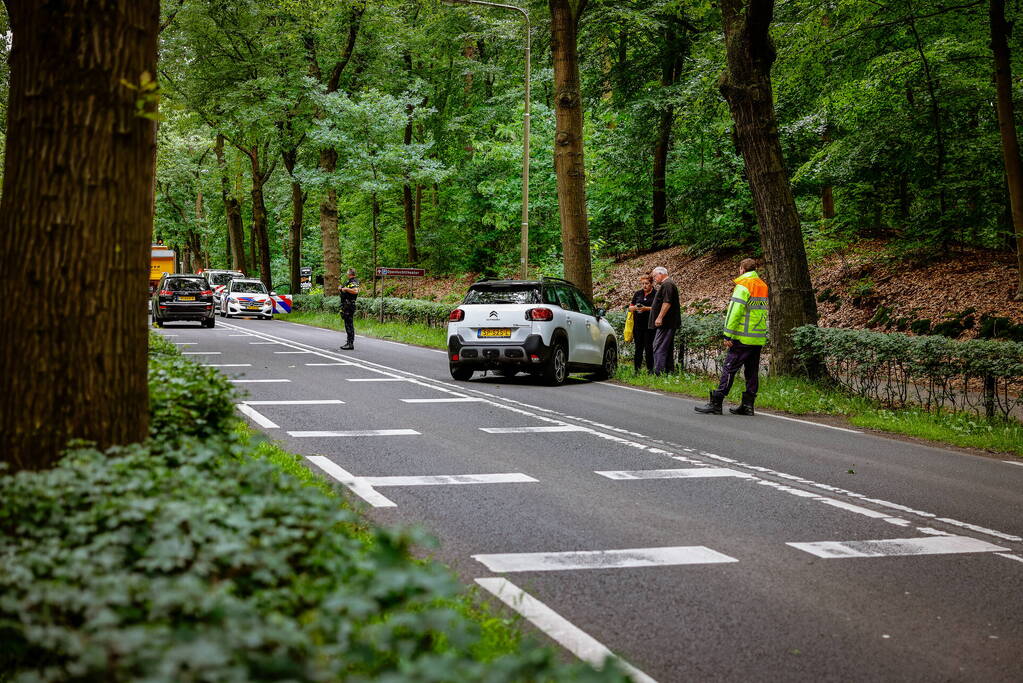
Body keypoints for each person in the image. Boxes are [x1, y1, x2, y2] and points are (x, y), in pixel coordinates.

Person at [695, 258, 768, 416]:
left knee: (729, 368)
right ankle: (748, 405)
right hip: (757, 336)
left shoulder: (743, 286)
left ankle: (717, 401)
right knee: (751, 371)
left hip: (742, 337)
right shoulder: (762, 285)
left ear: (742, 269)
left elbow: (735, 312)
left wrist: (727, 334)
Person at [649, 266, 680, 375]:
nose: (654, 279)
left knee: (659, 346)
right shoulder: (667, 284)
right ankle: (668, 372)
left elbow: (667, 302)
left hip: (666, 323)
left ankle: (659, 373)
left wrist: (659, 317)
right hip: (668, 323)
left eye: (654, 276)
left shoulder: (667, 285)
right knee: (666, 347)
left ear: (660, 274)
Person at [629, 274, 656, 372]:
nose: (644, 286)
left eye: (647, 283)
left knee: (649, 349)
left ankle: (650, 370)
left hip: (650, 326)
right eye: (643, 284)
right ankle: (637, 370)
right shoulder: (638, 294)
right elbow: (630, 307)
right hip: (638, 326)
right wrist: (636, 308)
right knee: (638, 348)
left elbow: (657, 308)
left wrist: (646, 308)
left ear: (651, 283)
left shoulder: (656, 294)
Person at [338, 268, 360, 350]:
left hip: (349, 305)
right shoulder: (349, 281)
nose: (346, 274)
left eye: (347, 273)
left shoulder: (353, 282)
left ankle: (350, 343)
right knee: (347, 324)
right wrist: (341, 288)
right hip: (346, 305)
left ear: (350, 274)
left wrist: (346, 289)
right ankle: (349, 342)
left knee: (349, 324)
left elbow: (355, 291)